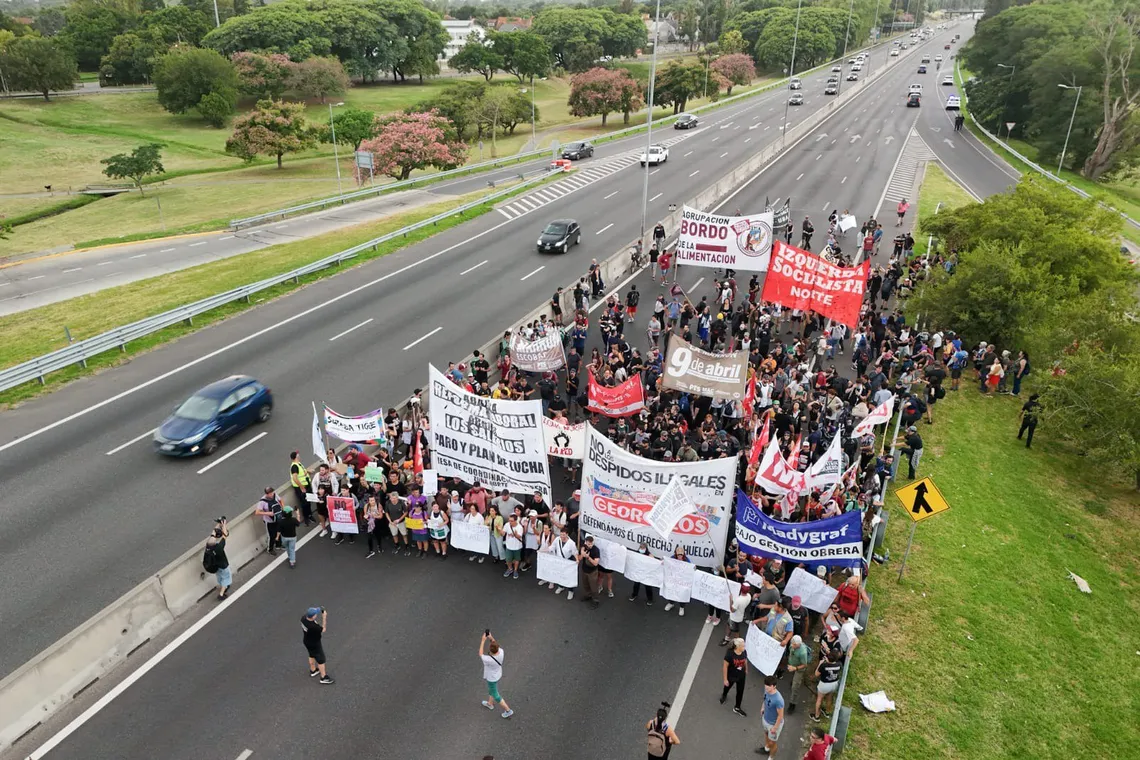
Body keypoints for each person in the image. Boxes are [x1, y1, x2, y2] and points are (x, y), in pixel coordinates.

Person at [479, 631, 513, 718]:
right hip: (497, 674)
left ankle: (508, 710)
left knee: (495, 694)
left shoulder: (488, 659)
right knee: (491, 689)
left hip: (491, 678)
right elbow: (495, 644)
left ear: (490, 650)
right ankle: (490, 703)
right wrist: (491, 637)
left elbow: (480, 653)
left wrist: (483, 640)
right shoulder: (501, 652)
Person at [301, 607, 334, 684]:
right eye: (316, 614)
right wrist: (324, 617)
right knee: (321, 659)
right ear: (313, 617)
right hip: (315, 643)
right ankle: (323, 677)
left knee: (311, 654)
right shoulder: (314, 627)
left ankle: (313, 670)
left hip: (307, 641)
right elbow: (323, 629)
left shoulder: (303, 619)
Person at [810, 648, 843, 721]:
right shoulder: (839, 664)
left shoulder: (824, 665)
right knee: (829, 698)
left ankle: (817, 716)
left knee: (819, 699)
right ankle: (827, 712)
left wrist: (820, 663)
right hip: (834, 684)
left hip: (824, 685)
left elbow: (816, 674)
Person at [719, 637, 749, 717]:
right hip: (731, 675)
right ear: (737, 647)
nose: (744, 647)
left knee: (740, 691)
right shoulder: (729, 654)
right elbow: (725, 667)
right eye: (742, 646)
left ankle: (737, 707)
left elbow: (745, 660)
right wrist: (725, 679)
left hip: (741, 675)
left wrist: (746, 669)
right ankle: (724, 694)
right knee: (727, 686)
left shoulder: (744, 652)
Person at [204, 520, 231, 599]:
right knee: (226, 578)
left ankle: (223, 585)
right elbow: (225, 535)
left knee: (219, 576)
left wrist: (218, 524)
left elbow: (213, 534)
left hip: (215, 566)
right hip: (223, 566)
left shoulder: (208, 546)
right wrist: (224, 525)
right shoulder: (218, 548)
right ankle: (221, 594)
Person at [759, 675, 785, 756]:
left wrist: (775, 728)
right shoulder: (766, 690)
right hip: (765, 719)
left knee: (773, 743)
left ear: (774, 686)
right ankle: (767, 748)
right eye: (765, 685)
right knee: (766, 734)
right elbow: (765, 699)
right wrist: (763, 707)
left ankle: (771, 757)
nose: (766, 687)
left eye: (769, 686)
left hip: (773, 724)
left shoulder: (778, 700)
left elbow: (780, 716)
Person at [785, 635, 812, 712]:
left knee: (795, 687)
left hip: (799, 669)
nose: (792, 645)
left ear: (798, 644)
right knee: (794, 681)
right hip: (792, 665)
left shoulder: (802, 653)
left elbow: (805, 664)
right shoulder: (792, 645)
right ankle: (794, 681)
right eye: (792, 643)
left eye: (794, 645)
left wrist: (795, 668)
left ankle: (792, 703)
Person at [255, 486, 283, 555]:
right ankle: (270, 549)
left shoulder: (275, 495)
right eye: (270, 493)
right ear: (266, 494)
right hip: (269, 521)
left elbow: (280, 500)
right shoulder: (262, 502)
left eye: (272, 492)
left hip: (278, 517)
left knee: (279, 531)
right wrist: (267, 513)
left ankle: (278, 545)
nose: (271, 494)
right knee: (271, 535)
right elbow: (257, 512)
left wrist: (283, 507)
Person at [288, 451, 313, 525]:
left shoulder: (298, 464)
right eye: (298, 455)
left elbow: (302, 472)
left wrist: (308, 471)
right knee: (304, 503)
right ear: (296, 457)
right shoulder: (294, 466)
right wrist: (302, 487)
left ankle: (310, 515)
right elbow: (295, 478)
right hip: (301, 488)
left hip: (306, 486)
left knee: (308, 501)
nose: (299, 456)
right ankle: (306, 518)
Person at [501, 513, 525, 579]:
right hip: (509, 546)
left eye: (511, 521)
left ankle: (515, 570)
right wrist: (500, 530)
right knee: (508, 559)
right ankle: (510, 569)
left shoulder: (519, 527)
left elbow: (519, 536)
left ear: (515, 520)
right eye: (509, 520)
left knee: (517, 559)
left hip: (517, 547)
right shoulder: (507, 525)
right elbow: (503, 533)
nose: (510, 522)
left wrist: (515, 534)